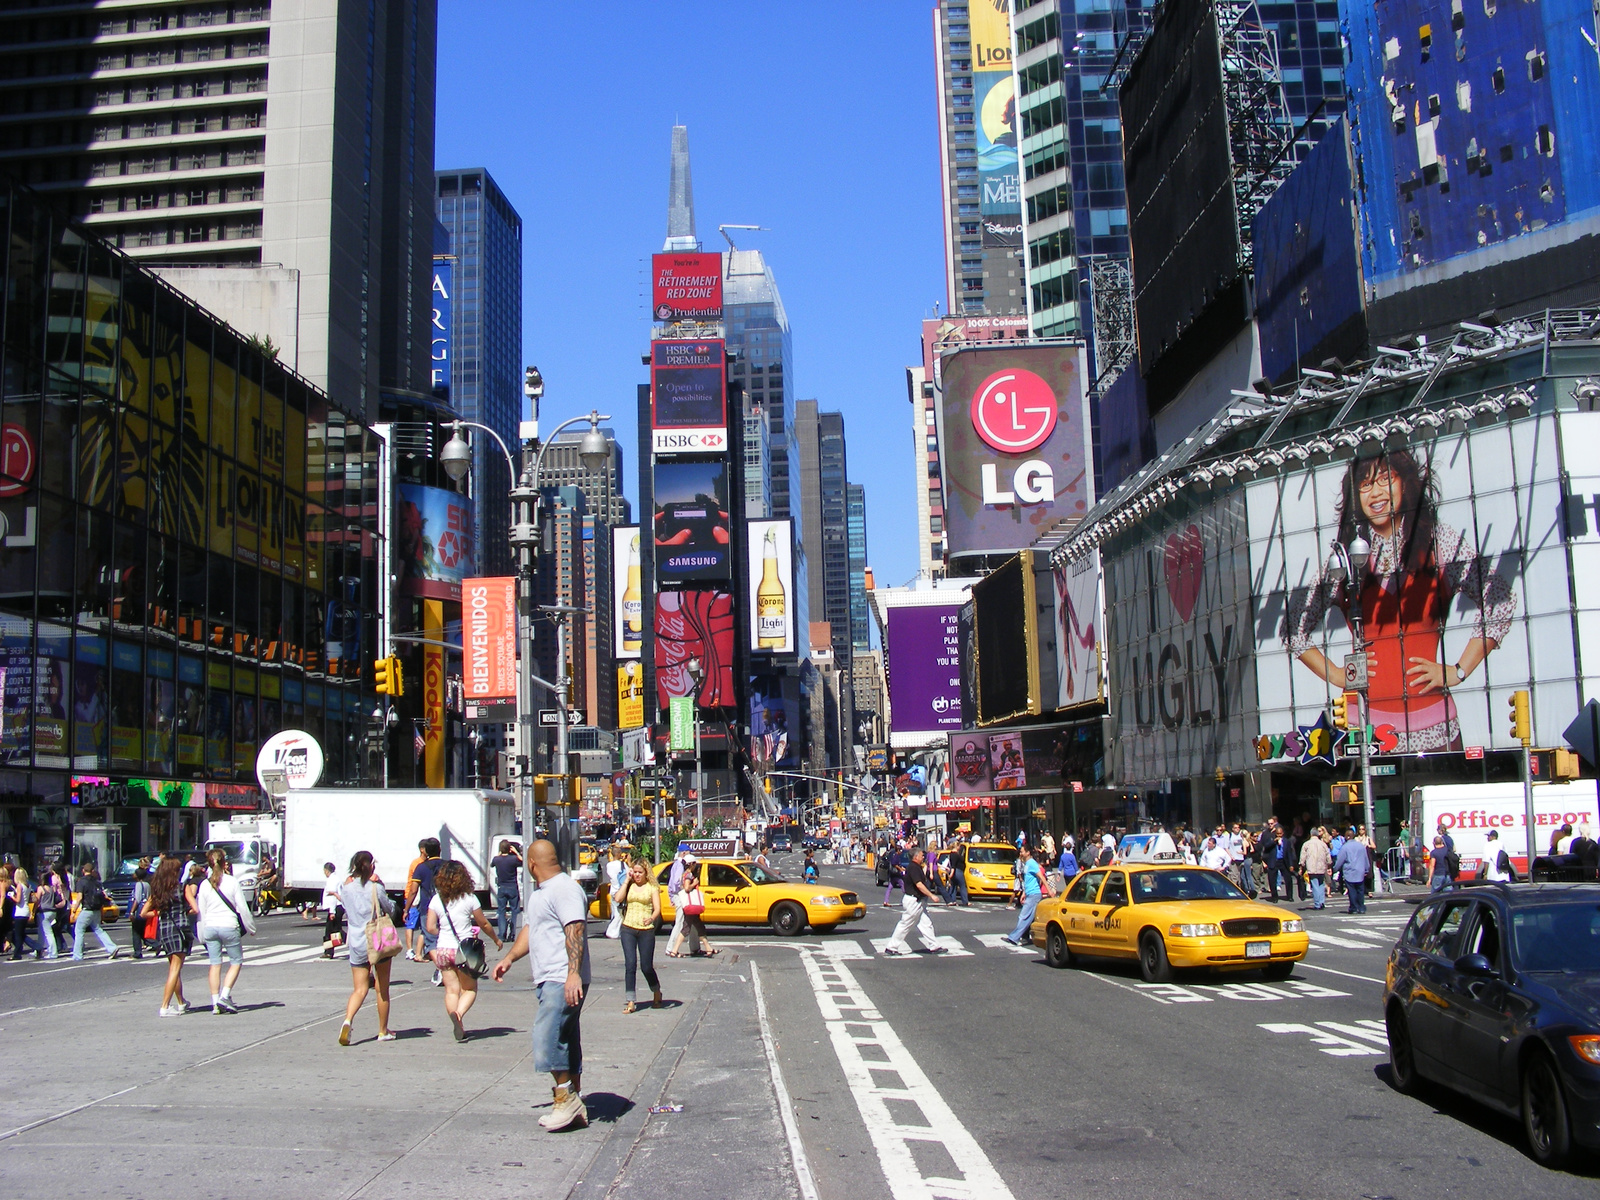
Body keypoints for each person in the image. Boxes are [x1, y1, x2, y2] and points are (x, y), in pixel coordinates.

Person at [1284, 448, 1515, 754]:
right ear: (1356, 496)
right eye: (1365, 485)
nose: (1376, 492)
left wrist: (1459, 670)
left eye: (1384, 479)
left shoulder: (1439, 541)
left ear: (1404, 484)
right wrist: (1337, 675)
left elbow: (1499, 599)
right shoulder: (1346, 558)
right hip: (1361, 728)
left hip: (1434, 727)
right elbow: (1292, 624)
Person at [493, 839, 592, 1133]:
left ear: (532, 864)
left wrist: (573, 974)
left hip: (561, 977)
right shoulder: (543, 894)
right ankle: (572, 1101)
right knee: (565, 1039)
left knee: (546, 1038)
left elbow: (575, 928)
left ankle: (565, 1099)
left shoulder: (563, 889)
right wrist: (510, 958)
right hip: (551, 976)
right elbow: (531, 929)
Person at [425, 860, 502, 1043]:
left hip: (443, 949)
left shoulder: (436, 899)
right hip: (465, 950)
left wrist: (442, 933)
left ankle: (456, 1020)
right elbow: (483, 923)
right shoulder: (469, 898)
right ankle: (458, 1015)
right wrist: (495, 939)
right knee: (470, 989)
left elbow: (429, 927)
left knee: (451, 990)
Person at [337, 850, 398, 1045]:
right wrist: (381, 886)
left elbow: (346, 908)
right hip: (376, 940)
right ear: (371, 866)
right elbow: (389, 908)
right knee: (382, 989)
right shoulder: (375, 887)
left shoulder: (345, 889)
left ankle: (348, 1020)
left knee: (359, 988)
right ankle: (382, 1031)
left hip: (355, 940)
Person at [195, 846, 254, 1013]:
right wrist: (250, 927)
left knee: (215, 964)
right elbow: (242, 907)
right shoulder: (232, 881)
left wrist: (201, 934)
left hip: (210, 927)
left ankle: (215, 1003)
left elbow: (202, 911)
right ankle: (225, 996)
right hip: (228, 925)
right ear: (224, 863)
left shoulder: (204, 885)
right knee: (236, 961)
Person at [145, 856, 194, 1016]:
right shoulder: (181, 887)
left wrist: (158, 912)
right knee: (175, 969)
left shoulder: (159, 891)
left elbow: (143, 913)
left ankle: (181, 1002)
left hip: (164, 930)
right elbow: (195, 908)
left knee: (174, 967)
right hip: (179, 929)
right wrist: (184, 911)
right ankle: (165, 1006)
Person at [615, 856, 663, 1013]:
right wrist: (626, 881)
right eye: (634, 872)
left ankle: (656, 990)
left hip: (646, 930)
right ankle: (631, 1001)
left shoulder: (652, 888)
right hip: (628, 927)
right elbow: (618, 899)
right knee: (630, 964)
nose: (636, 875)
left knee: (646, 966)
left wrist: (651, 918)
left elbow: (657, 909)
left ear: (645, 872)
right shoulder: (629, 885)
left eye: (639, 872)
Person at [883, 847, 947, 957]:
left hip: (918, 901)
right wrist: (931, 895)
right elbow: (919, 884)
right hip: (913, 901)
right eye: (922, 855)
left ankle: (934, 946)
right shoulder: (913, 868)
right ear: (916, 856)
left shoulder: (916, 867)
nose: (923, 857)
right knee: (905, 924)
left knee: (926, 924)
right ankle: (891, 947)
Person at [409, 838, 444, 984]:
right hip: (446, 907)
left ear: (426, 851)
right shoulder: (447, 866)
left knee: (431, 941)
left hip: (426, 908)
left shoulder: (421, 868)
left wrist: (407, 908)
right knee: (445, 938)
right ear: (440, 849)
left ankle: (443, 969)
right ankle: (446, 969)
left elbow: (413, 890)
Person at [71, 862, 121, 961]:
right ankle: (112, 947)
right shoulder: (97, 882)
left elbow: (80, 897)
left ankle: (77, 954)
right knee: (98, 929)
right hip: (97, 910)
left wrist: (74, 910)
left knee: (79, 931)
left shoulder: (81, 882)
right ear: (93, 871)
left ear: (83, 871)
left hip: (87, 909)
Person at [667, 862, 715, 958]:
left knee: (696, 926)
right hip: (691, 905)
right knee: (687, 928)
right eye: (694, 864)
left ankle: (708, 948)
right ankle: (674, 950)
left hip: (689, 905)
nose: (695, 866)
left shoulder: (684, 874)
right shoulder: (688, 875)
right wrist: (695, 883)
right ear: (691, 864)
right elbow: (686, 888)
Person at [1003, 845, 1044, 947]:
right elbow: (1028, 880)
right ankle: (1028, 936)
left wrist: (1050, 891)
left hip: (1034, 894)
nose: (1020, 854)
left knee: (1024, 916)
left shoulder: (1032, 863)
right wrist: (1024, 893)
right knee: (1031, 917)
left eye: (1022, 852)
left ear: (1028, 852)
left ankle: (1014, 937)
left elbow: (1042, 877)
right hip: (1029, 893)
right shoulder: (1026, 864)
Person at [401, 838, 428, 961]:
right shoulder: (416, 863)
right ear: (422, 850)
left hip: (421, 895)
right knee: (410, 924)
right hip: (413, 896)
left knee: (424, 925)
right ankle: (409, 950)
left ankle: (422, 950)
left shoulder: (426, 863)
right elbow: (414, 886)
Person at [1333, 832, 1372, 914]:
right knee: (1360, 890)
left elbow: (1340, 860)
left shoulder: (1345, 847)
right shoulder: (1361, 846)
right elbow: (1366, 859)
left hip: (1349, 871)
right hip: (1360, 871)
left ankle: (1354, 907)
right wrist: (1366, 869)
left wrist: (1335, 869)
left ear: (1347, 837)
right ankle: (1361, 907)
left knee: (1352, 891)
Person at [493, 840, 524, 941]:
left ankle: (502, 934)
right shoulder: (513, 859)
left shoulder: (496, 859)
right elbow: (523, 860)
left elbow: (492, 864)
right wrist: (516, 852)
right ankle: (513, 934)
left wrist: (500, 853)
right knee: (515, 910)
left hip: (501, 888)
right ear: (509, 849)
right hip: (512, 887)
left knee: (501, 911)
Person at [1299, 826, 1332, 910]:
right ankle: (1321, 902)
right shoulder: (1323, 844)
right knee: (1321, 884)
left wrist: (1301, 866)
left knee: (1314, 885)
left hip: (1311, 867)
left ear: (1311, 834)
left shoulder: (1306, 844)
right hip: (1321, 867)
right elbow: (1328, 856)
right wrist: (1329, 865)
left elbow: (1302, 857)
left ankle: (1317, 903)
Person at [126, 864, 150, 960]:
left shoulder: (138, 885)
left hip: (139, 910)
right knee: (143, 930)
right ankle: (155, 944)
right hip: (146, 908)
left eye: (134, 873)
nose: (133, 875)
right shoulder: (147, 884)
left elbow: (137, 899)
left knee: (136, 931)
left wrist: (132, 912)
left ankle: (137, 952)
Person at [319, 862, 343, 958]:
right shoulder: (336, 878)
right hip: (338, 907)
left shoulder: (332, 880)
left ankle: (329, 951)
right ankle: (329, 951)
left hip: (335, 907)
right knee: (335, 929)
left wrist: (332, 912)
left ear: (326, 870)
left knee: (330, 931)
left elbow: (333, 896)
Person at [882, 840, 905, 907]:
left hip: (892, 874)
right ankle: (905, 901)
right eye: (901, 850)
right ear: (898, 850)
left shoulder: (894, 855)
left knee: (890, 887)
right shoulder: (896, 856)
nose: (901, 852)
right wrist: (900, 869)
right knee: (903, 887)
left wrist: (902, 868)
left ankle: (886, 901)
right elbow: (894, 864)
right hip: (896, 874)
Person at [949, 836, 970, 907]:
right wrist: (951, 874)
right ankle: (965, 901)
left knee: (954, 886)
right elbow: (953, 865)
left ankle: (952, 900)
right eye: (959, 846)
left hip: (956, 871)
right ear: (956, 846)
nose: (960, 848)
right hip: (957, 871)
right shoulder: (954, 854)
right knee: (962, 886)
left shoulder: (952, 854)